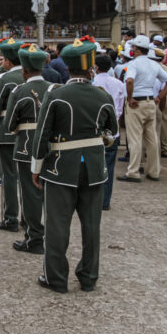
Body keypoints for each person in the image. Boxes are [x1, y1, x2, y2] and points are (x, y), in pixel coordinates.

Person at [31, 38, 119, 293]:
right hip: (93, 167)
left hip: (61, 168)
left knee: (58, 226)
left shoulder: (57, 95)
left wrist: (36, 168)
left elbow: (42, 135)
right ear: (91, 68)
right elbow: (112, 132)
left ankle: (56, 278)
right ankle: (89, 276)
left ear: (67, 68)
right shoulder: (102, 95)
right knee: (91, 226)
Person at [2, 44, 52, 254]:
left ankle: (34, 238)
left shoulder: (19, 90)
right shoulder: (54, 88)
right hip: (50, 146)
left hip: (25, 145)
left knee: (30, 193)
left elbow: (9, 124)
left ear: (23, 70)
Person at [120, 35, 167, 183]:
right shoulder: (154, 65)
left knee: (135, 138)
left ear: (136, 50)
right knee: (152, 138)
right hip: (150, 102)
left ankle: (133, 172)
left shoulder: (134, 64)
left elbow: (129, 80)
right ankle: (153, 171)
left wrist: (130, 98)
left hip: (136, 104)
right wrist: (159, 97)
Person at [0, 38, 25, 230]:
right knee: (27, 177)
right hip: (29, 134)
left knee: (9, 175)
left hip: (6, 130)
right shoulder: (32, 76)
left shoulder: (4, 78)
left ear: (8, 62)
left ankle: (11, 218)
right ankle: (29, 219)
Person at [92, 54, 125, 210]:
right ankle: (105, 200)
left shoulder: (93, 84)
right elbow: (121, 106)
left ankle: (92, 199)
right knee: (109, 166)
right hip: (113, 129)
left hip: (94, 130)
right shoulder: (119, 83)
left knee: (91, 165)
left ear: (96, 68)